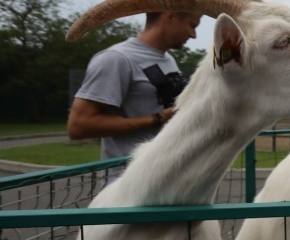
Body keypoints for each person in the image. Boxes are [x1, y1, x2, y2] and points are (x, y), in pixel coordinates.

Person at [68, 10, 201, 162]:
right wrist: (157, 119)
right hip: (128, 179)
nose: (194, 35)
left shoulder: (168, 59)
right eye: (192, 25)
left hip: (166, 174)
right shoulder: (116, 58)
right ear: (170, 16)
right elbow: (78, 126)